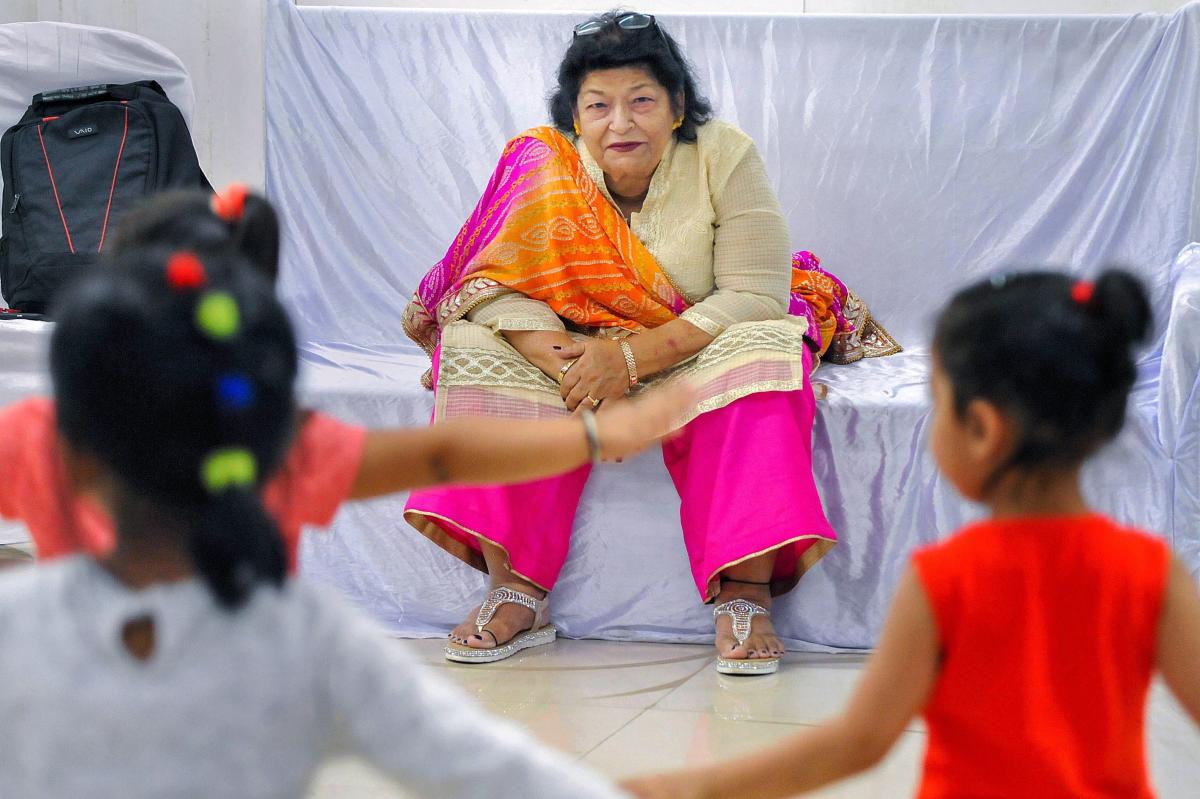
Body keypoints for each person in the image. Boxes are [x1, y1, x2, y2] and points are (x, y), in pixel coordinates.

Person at [0, 245, 688, 797]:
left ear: (74, 448)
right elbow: (441, 453)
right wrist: (595, 438)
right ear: (269, 423)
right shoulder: (303, 641)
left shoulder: (21, 597)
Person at [402, 10, 897, 672]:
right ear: (575, 116)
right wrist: (570, 360)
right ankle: (515, 583)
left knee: (765, 349)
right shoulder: (544, 162)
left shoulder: (725, 153)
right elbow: (487, 281)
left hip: (693, 340)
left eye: (641, 101)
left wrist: (631, 358)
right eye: (599, 105)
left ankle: (744, 586)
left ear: (676, 106)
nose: (621, 123)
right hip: (574, 349)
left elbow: (752, 292)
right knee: (471, 344)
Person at [621, 270, 1200, 798]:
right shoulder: (1150, 571)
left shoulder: (947, 580)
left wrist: (692, 788)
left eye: (939, 406)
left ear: (982, 430)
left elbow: (857, 741)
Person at [0, 186, 592, 572]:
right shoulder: (283, 446)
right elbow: (444, 452)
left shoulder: (39, 435)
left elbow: (445, 451)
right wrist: (601, 437)